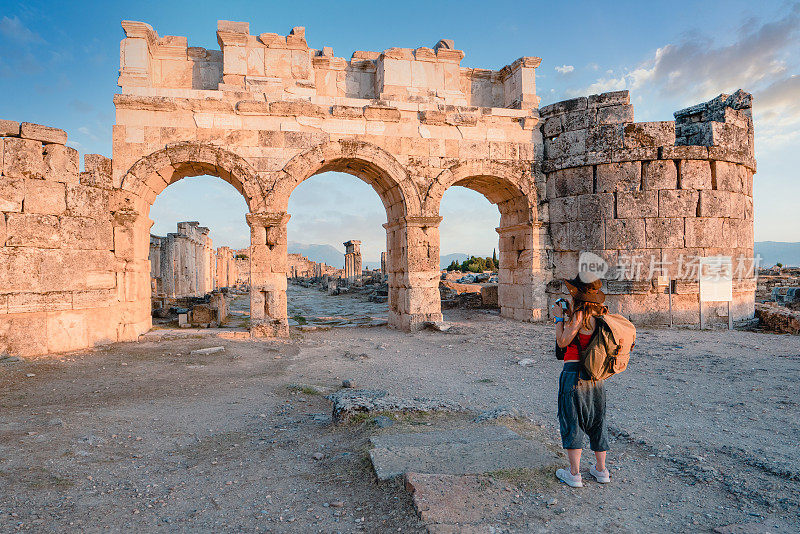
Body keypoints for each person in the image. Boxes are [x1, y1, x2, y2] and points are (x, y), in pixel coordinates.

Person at [552, 275, 611, 487]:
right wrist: (569, 315)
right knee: (597, 419)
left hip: (574, 373)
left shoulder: (580, 315)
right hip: (596, 375)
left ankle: (574, 474)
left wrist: (559, 319)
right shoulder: (601, 315)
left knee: (572, 419)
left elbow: (563, 341)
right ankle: (601, 470)